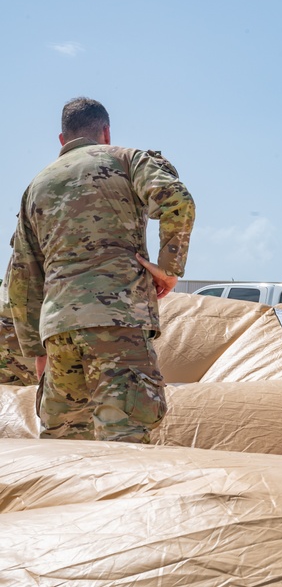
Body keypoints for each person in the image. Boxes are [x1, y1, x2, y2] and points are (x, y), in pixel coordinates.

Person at [7, 97, 195, 443]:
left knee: (64, 445)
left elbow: (21, 278)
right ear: (105, 132)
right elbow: (177, 201)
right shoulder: (128, 159)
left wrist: (36, 349)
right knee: (124, 439)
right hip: (118, 322)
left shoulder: (36, 186)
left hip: (58, 331)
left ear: (62, 140)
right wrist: (169, 269)